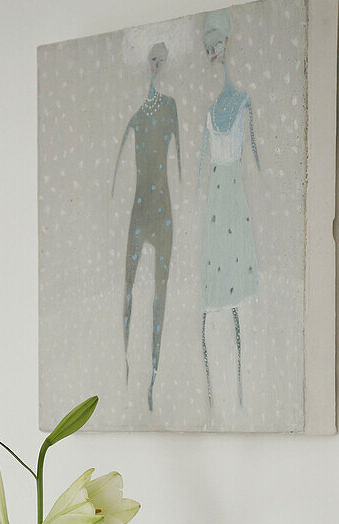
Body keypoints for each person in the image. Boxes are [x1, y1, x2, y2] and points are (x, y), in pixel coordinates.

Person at [112, 41, 181, 411]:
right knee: (129, 285)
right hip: (140, 208)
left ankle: (153, 378)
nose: (156, 65)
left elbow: (181, 169)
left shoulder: (170, 109)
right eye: (152, 60)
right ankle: (125, 368)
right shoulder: (137, 116)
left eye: (161, 60)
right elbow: (117, 176)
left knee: (160, 290)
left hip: (163, 207)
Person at [199, 9, 260, 407]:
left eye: (216, 45)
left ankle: (240, 395)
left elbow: (255, 157)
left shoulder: (242, 103)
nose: (213, 53)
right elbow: (203, 168)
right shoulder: (208, 113)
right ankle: (213, 398)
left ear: (228, 43)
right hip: (215, 207)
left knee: (237, 305)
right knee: (210, 307)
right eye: (208, 48)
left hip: (234, 203)